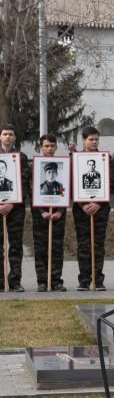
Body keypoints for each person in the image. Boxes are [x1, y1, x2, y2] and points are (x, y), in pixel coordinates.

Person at [73, 126, 110, 290]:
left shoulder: (104, 159)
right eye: (91, 139)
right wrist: (83, 204)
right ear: (84, 140)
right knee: (83, 244)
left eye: (96, 139)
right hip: (81, 209)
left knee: (98, 244)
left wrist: (98, 203)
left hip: (100, 208)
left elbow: (111, 182)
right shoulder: (75, 159)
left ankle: (98, 279)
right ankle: (84, 279)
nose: (94, 142)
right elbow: (71, 182)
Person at [33, 135, 66, 291]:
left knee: (57, 248)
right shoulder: (35, 168)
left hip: (58, 216)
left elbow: (66, 192)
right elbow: (29, 190)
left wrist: (60, 211)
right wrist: (42, 212)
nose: (49, 148)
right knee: (41, 248)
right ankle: (42, 281)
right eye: (46, 146)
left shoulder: (61, 179)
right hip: (40, 215)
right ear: (41, 147)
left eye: (52, 146)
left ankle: (56, 280)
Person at [0, 124, 28, 292]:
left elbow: (24, 183)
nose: (8, 137)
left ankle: (15, 280)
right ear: (0, 136)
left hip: (15, 208)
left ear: (15, 137)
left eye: (11, 134)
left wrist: (11, 203)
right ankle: (1, 280)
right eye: (5, 134)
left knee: (16, 245)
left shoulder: (21, 157)